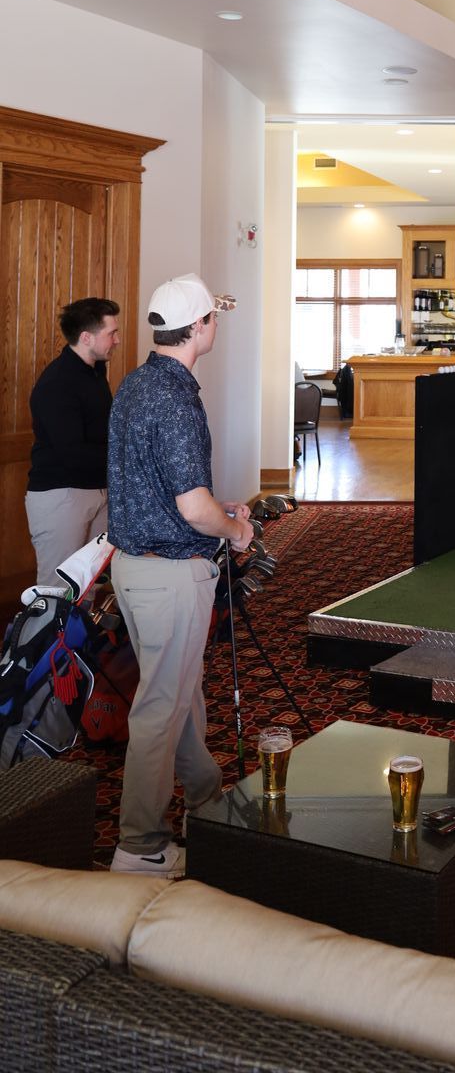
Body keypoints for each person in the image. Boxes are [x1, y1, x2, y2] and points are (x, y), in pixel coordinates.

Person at [107, 273, 253, 878]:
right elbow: (193, 506)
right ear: (197, 328)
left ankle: (205, 802)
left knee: (182, 697)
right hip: (170, 575)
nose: (217, 326)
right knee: (162, 706)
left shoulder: (135, 384)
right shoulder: (178, 397)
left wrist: (218, 514)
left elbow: (160, 492)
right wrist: (236, 530)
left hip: (133, 569)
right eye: (213, 318)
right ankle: (138, 846)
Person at [25, 297, 121, 586]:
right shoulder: (57, 383)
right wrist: (127, 456)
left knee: (89, 585)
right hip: (62, 495)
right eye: (111, 333)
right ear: (86, 337)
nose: (117, 340)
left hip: (96, 490)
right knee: (58, 592)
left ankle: (82, 634)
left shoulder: (95, 371)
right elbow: (73, 453)